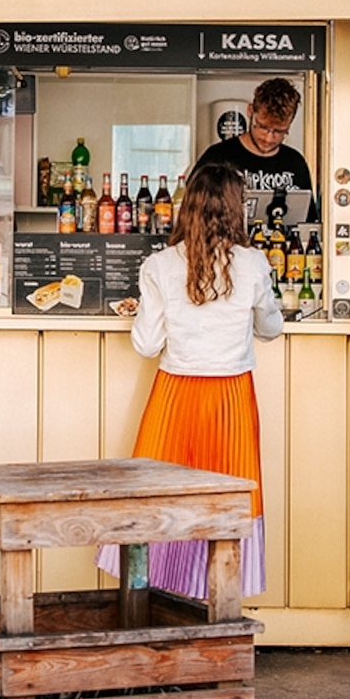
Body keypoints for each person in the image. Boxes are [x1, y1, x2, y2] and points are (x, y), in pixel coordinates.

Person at [107, 161, 284, 600]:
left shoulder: (160, 265)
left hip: (176, 395)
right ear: (235, 210)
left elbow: (147, 345)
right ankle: (219, 607)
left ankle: (158, 603)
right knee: (227, 502)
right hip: (232, 398)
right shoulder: (254, 264)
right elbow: (271, 328)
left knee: (159, 499)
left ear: (186, 209)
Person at [194, 76, 315, 213]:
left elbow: (309, 222)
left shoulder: (295, 163)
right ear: (250, 111)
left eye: (279, 131)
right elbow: (192, 213)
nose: (269, 138)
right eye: (263, 127)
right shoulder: (217, 157)